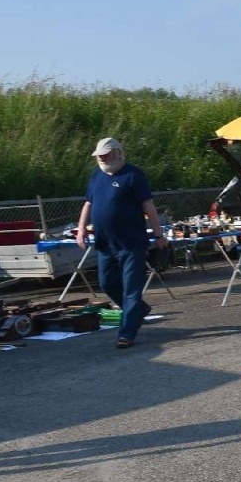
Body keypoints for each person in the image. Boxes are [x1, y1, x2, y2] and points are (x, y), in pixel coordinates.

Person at [76, 137, 169, 349]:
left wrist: (158, 235)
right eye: (99, 155)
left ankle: (127, 333)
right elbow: (88, 203)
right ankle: (139, 310)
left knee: (131, 290)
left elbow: (149, 206)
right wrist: (81, 228)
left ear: (118, 153)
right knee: (107, 283)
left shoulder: (133, 175)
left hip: (131, 243)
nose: (101, 158)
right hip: (105, 244)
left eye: (106, 154)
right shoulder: (96, 175)